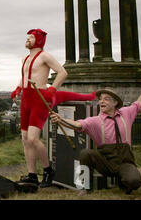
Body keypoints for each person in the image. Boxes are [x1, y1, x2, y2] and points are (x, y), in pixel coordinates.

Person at [11, 29, 96, 188]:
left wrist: (52, 89)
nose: (27, 40)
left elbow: (63, 72)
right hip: (26, 99)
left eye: (30, 37)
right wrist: (18, 88)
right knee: (25, 139)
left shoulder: (45, 56)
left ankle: (48, 170)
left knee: (33, 139)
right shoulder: (25, 58)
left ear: (38, 40)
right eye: (27, 37)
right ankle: (32, 175)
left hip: (40, 98)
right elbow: (24, 76)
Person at [51, 87, 141, 194]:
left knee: (134, 181)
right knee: (86, 153)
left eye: (106, 99)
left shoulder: (127, 113)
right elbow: (77, 124)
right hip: (105, 162)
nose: (101, 101)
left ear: (115, 102)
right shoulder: (95, 121)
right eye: (100, 99)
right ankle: (86, 187)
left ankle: (123, 182)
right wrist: (61, 120)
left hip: (124, 162)